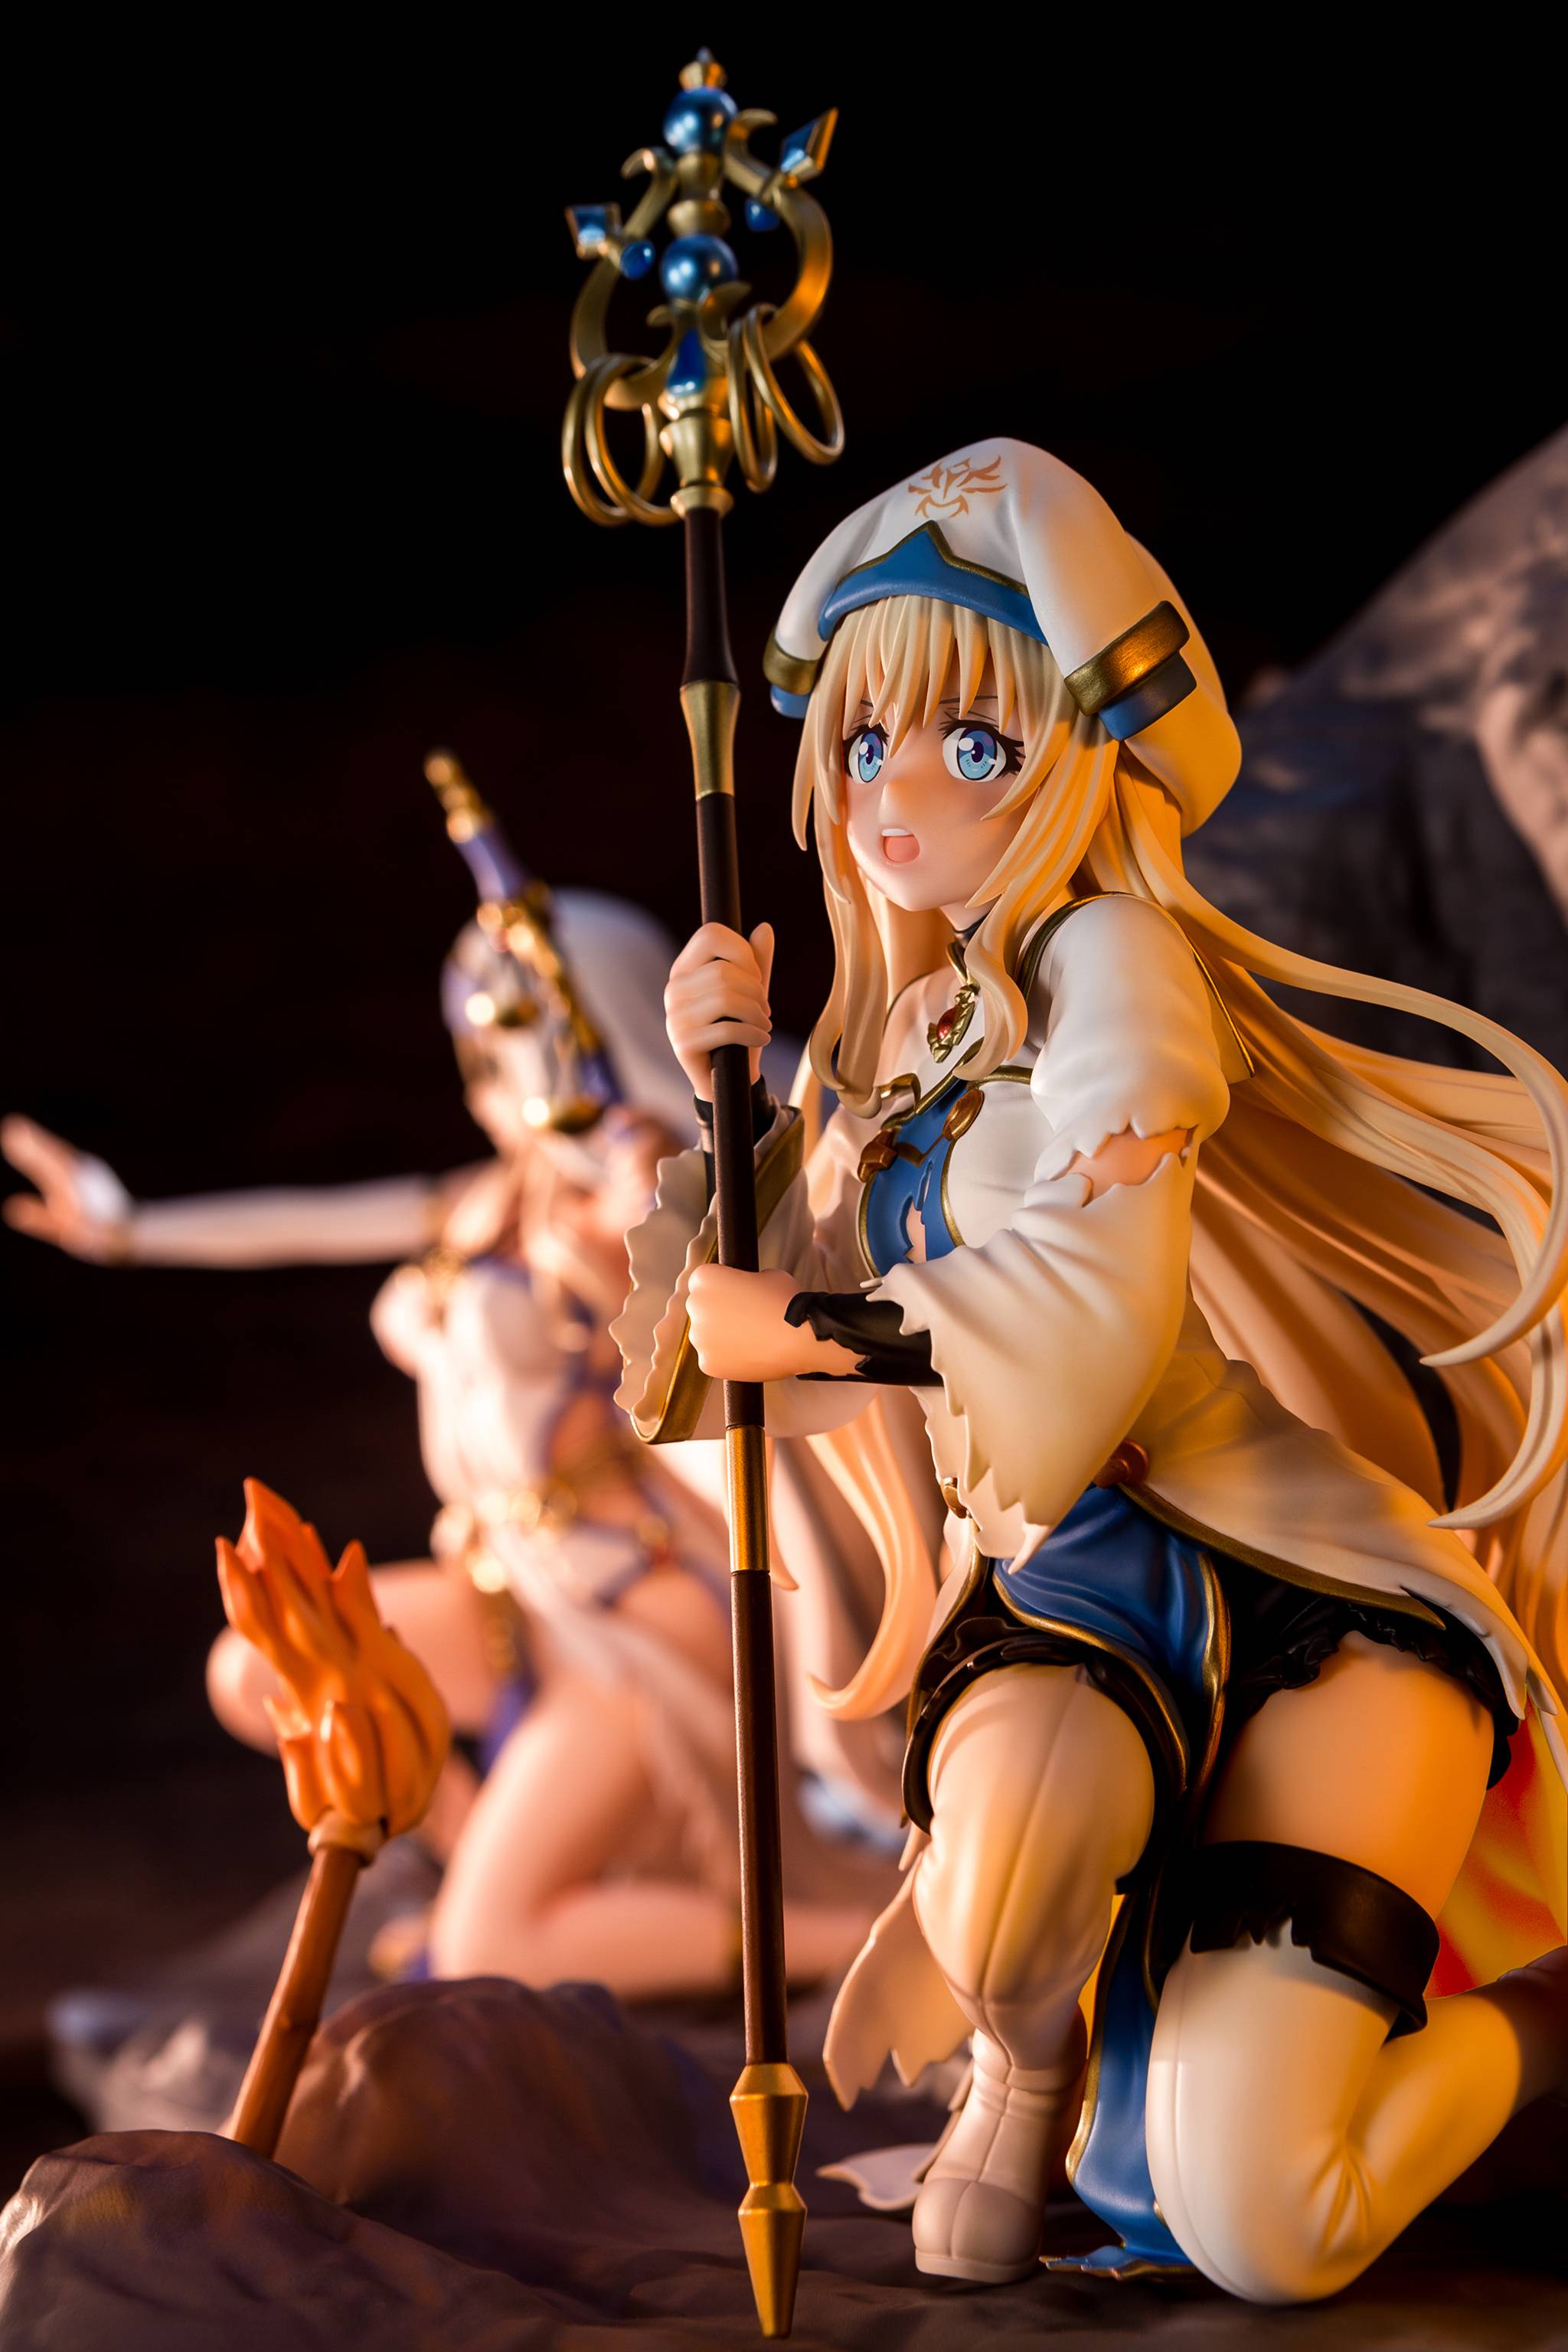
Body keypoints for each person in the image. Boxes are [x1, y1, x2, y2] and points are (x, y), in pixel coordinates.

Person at [612, 441, 1568, 2300]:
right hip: (1073, 1583)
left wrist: (798, 1326)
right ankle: (1028, 2067)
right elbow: (734, 1349)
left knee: (1261, 2223)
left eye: (972, 742)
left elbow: (1092, 1303)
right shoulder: (897, 1037)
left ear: (1074, 759)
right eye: (865, 740)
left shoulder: (1119, 961)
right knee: (1003, 1887)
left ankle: (1543, 2037)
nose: (895, 792)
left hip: (1302, 1596)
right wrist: (728, 1083)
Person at [5, 755, 900, 2004]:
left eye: (525, 1044)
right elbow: (316, 1221)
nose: (502, 1085)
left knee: (491, 1955)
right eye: (483, 1054)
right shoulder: (491, 1204)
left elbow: (728, 1323)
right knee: (267, 1670)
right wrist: (129, 1229)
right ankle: (488, 1855)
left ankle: (863, 1940)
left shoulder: (640, 1209)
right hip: (514, 1582)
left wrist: (670, 1197)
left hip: (628, 1606)